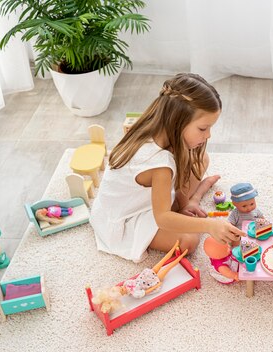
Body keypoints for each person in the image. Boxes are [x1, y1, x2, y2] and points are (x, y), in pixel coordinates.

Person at [90, 73, 245, 263]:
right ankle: (185, 207)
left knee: (201, 159)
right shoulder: (159, 165)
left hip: (148, 197)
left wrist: (186, 202)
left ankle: (187, 204)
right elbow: (162, 218)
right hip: (127, 218)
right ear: (177, 122)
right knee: (190, 240)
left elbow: (179, 169)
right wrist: (209, 225)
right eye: (203, 128)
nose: (208, 135)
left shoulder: (159, 129)